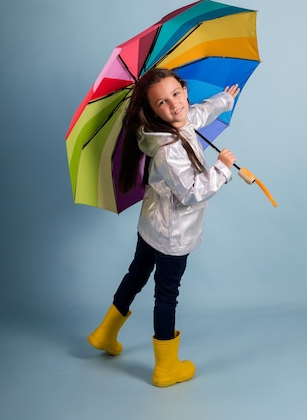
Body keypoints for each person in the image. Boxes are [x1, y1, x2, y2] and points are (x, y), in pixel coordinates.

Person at [87, 67, 240, 387]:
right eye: (161, 102)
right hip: (172, 233)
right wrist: (222, 170)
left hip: (151, 226)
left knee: (137, 273)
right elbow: (192, 192)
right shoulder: (168, 149)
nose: (173, 105)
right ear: (151, 111)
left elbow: (198, 113)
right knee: (166, 294)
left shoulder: (180, 120)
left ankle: (105, 333)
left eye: (175, 94)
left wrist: (225, 100)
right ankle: (167, 367)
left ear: (184, 90)